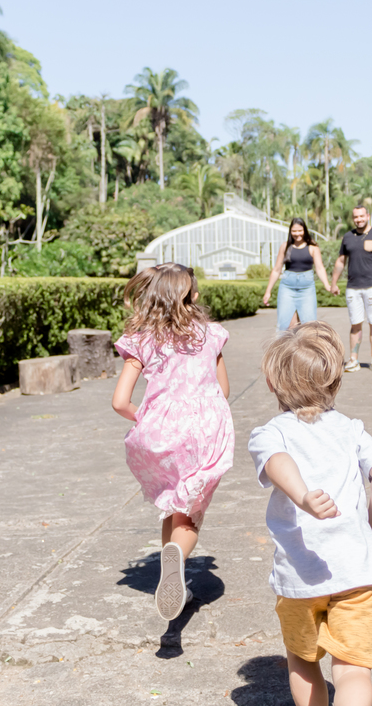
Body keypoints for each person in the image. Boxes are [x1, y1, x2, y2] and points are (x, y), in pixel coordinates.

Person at [248, 321, 372, 706]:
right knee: (351, 669)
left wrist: (301, 496)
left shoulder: (270, 432)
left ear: (271, 383)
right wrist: (371, 528)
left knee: (303, 658)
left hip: (301, 574)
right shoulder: (351, 429)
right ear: (335, 381)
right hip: (357, 569)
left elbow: (277, 461)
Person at [111, 262, 234, 622]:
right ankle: (177, 558)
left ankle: (172, 567)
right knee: (190, 514)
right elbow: (222, 390)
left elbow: (120, 401)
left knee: (171, 504)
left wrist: (150, 420)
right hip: (204, 432)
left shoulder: (142, 339)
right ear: (189, 296)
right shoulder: (211, 334)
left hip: (160, 435)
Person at [330, 206, 372, 373]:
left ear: (367, 216)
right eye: (355, 217)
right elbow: (340, 261)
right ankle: (353, 360)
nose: (358, 219)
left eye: (361, 216)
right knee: (355, 324)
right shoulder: (348, 237)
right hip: (353, 288)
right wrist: (334, 282)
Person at [262, 217, 338, 332]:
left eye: (300, 230)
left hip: (306, 289)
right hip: (287, 288)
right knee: (284, 326)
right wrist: (268, 291)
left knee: (310, 327)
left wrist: (327, 285)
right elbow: (277, 270)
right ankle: (283, 350)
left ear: (305, 231)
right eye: (294, 231)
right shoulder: (285, 246)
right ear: (290, 231)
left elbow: (320, 268)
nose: (297, 234)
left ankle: (310, 350)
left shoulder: (313, 247)